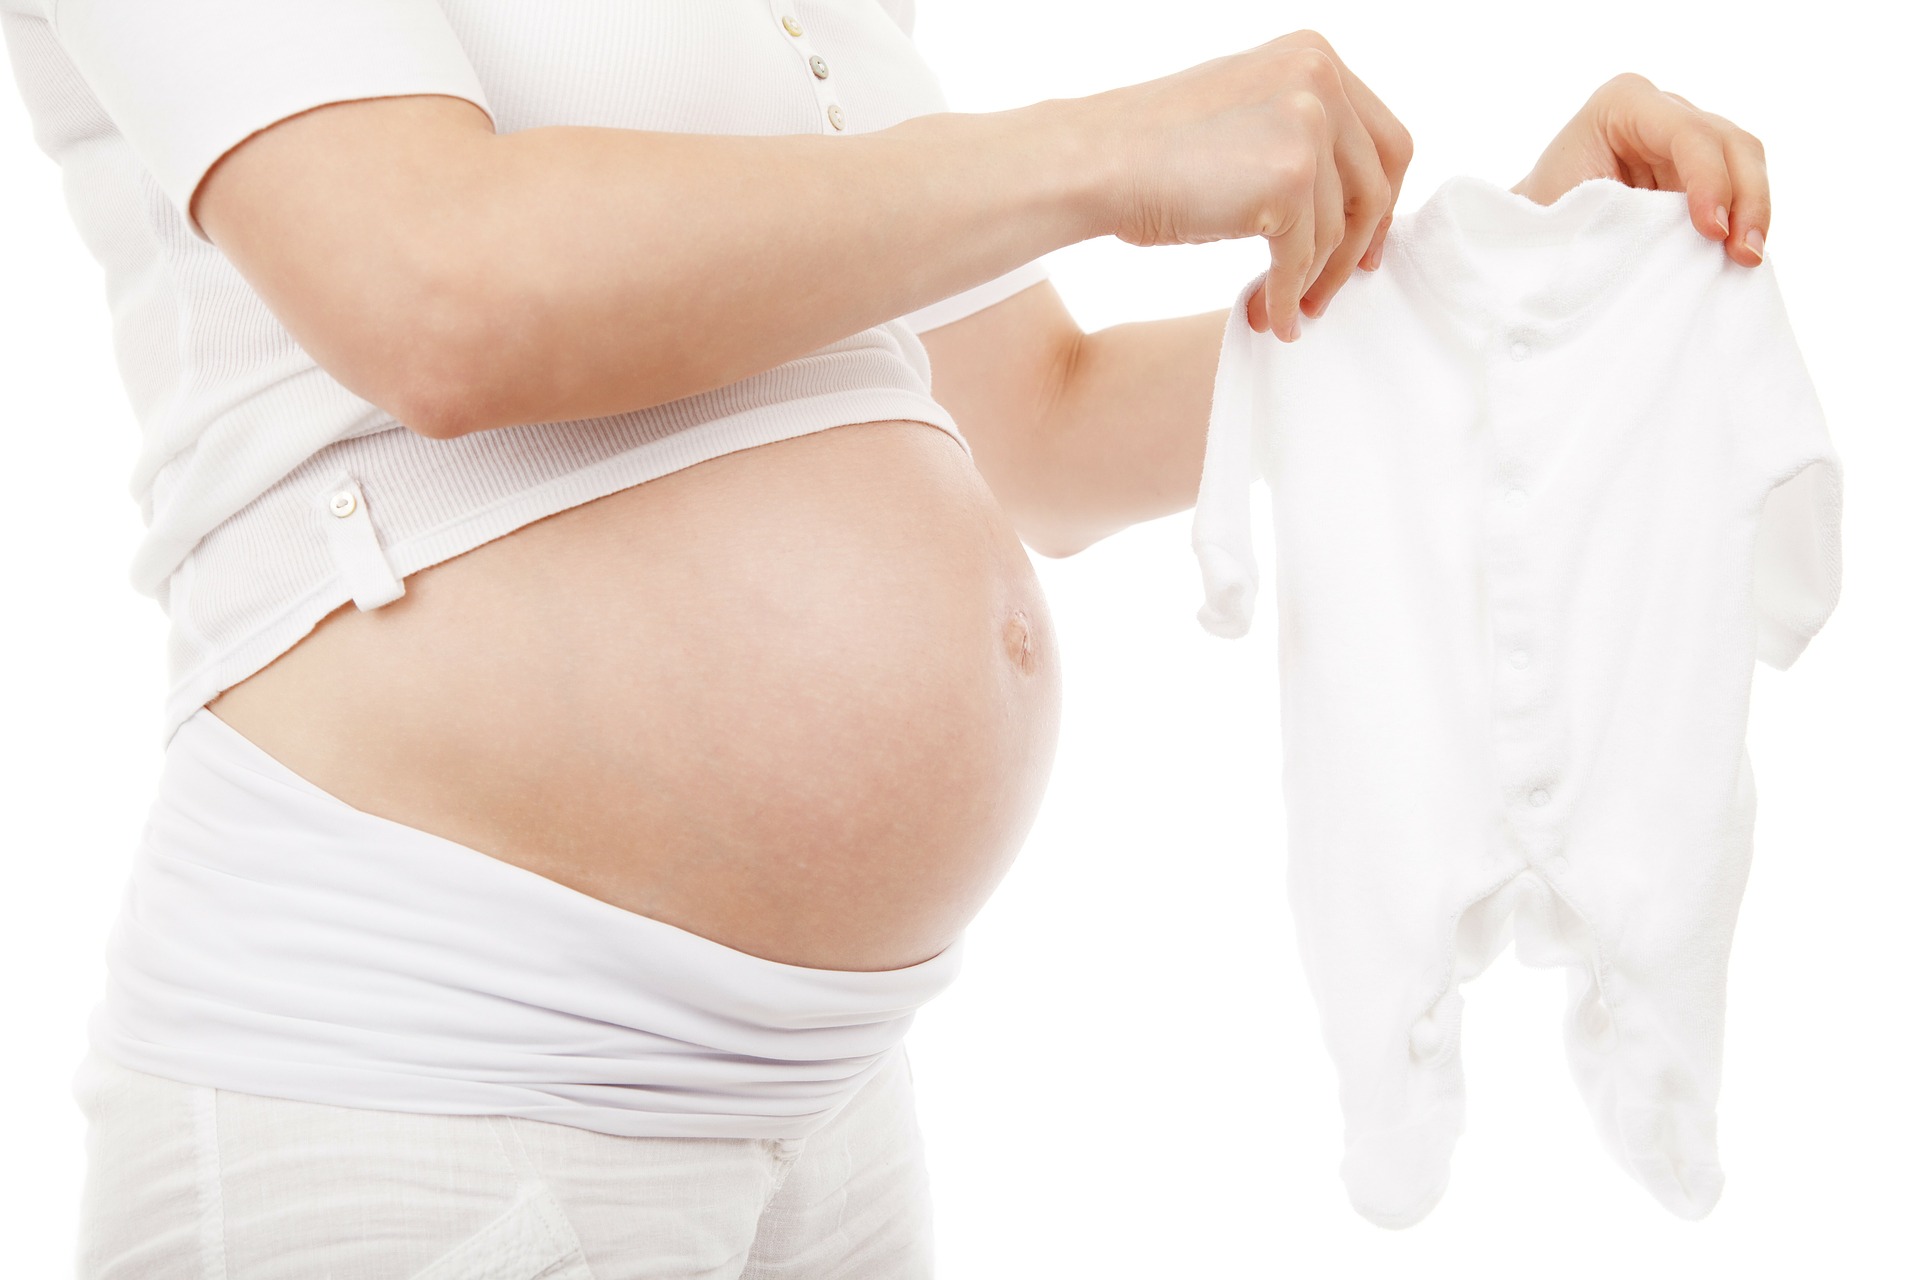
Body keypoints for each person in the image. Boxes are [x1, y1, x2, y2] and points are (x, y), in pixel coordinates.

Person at [0, 1, 1772, 1274]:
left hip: (827, 1112)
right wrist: (1092, 155)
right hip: (418, 1076)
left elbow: (1049, 426)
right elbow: (439, 293)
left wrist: (1510, 288)